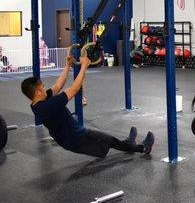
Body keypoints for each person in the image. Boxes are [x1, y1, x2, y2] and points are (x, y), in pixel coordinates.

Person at [21, 54, 154, 158]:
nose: (45, 89)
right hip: (75, 138)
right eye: (43, 87)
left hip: (70, 136)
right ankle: (142, 148)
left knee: (108, 140)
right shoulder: (48, 106)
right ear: (38, 92)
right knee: (110, 140)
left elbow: (57, 86)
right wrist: (84, 66)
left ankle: (128, 144)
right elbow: (74, 89)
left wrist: (68, 66)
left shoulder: (37, 103)